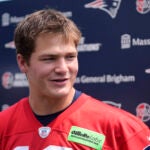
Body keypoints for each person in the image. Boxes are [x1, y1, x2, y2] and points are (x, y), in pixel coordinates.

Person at [0, 9, 149, 150]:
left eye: (70, 57)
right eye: (49, 59)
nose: (63, 69)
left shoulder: (122, 129)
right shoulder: (3, 125)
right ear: (23, 63)